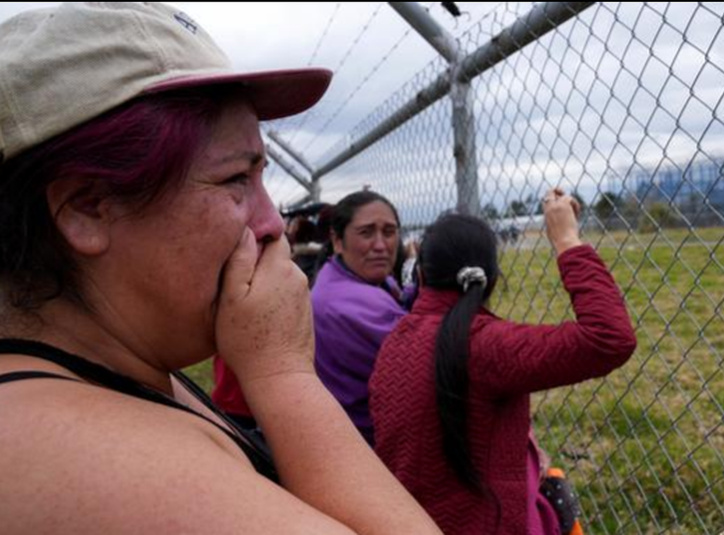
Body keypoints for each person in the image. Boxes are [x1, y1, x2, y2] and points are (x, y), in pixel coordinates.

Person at [0, 4, 442, 534]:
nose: (273, 223)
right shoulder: (71, 455)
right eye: (236, 178)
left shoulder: (111, 369)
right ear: (87, 208)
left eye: (263, 177)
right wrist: (283, 375)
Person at [369, 189, 638, 535]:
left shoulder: (396, 341)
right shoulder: (488, 346)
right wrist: (567, 240)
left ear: (420, 276)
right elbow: (609, 338)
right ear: (492, 279)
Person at [312, 190, 409, 446]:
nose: (380, 245)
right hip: (373, 447)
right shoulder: (355, 305)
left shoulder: (336, 276)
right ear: (338, 241)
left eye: (389, 232)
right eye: (366, 233)